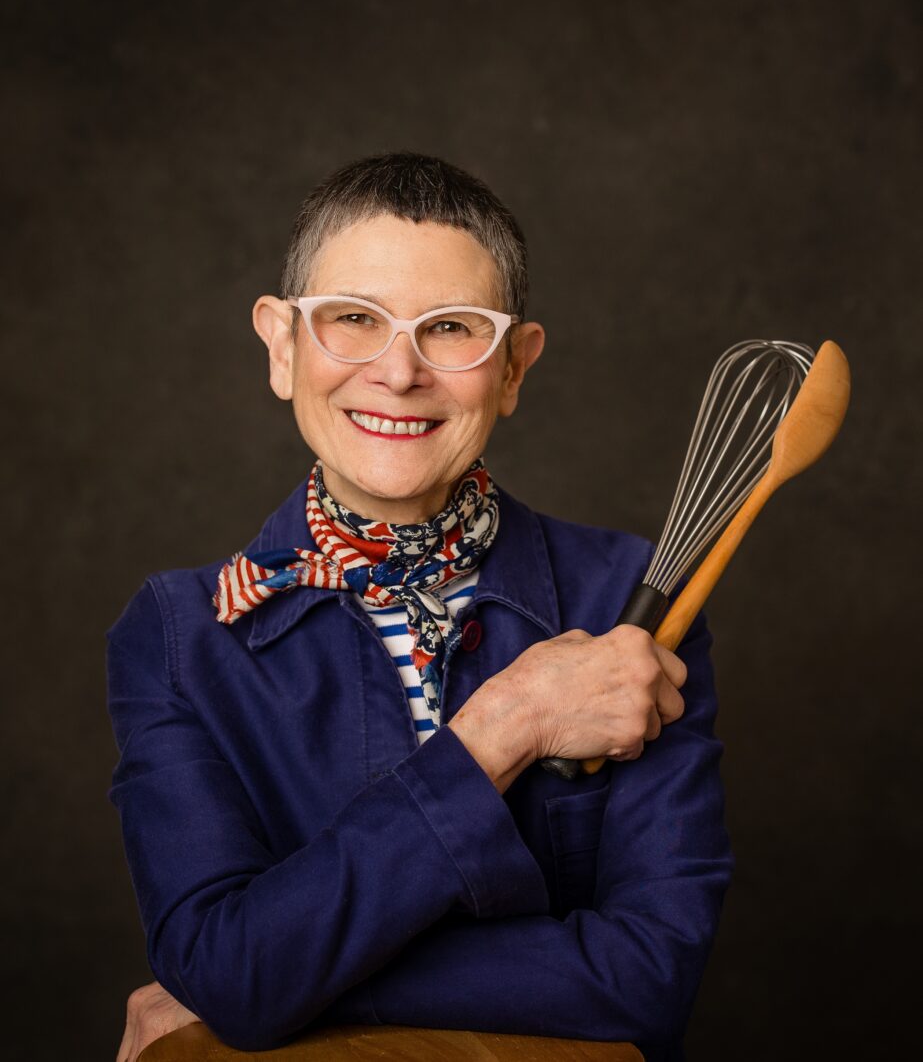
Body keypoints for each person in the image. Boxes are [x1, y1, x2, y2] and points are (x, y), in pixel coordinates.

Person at [108, 153, 733, 1062]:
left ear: (513, 368)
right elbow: (228, 966)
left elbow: (650, 976)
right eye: (353, 319)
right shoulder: (178, 634)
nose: (398, 373)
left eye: (450, 329)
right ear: (282, 347)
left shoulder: (629, 601)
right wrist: (505, 724)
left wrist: (277, 980)